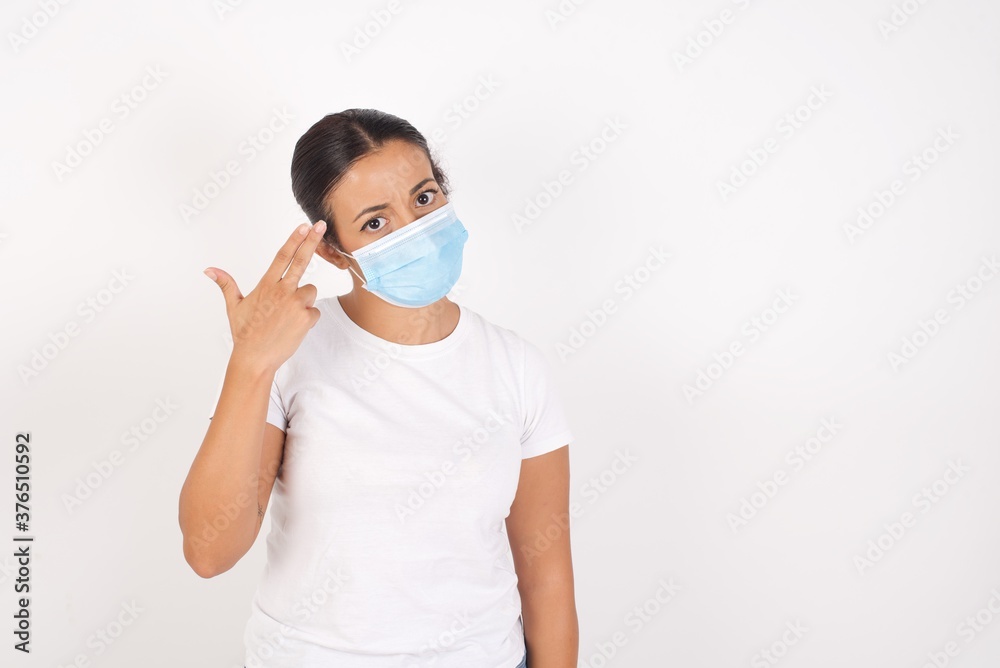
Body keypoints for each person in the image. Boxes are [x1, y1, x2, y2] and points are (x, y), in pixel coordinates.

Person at [178, 109, 578, 668]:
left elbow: (547, 577)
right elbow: (208, 552)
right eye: (374, 223)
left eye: (423, 198)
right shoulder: (288, 357)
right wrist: (251, 364)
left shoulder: (516, 366)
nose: (414, 229)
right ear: (333, 251)